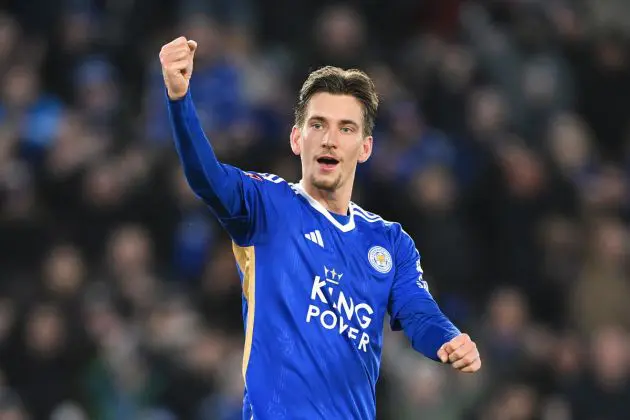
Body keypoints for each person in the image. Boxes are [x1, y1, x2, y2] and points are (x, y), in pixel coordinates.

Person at [160, 36, 481, 420]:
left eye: (346, 128)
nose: (329, 139)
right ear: (297, 138)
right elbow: (205, 176)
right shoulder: (266, 205)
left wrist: (448, 338)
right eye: (318, 124)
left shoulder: (389, 242)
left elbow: (417, 313)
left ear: (365, 148)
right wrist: (180, 100)